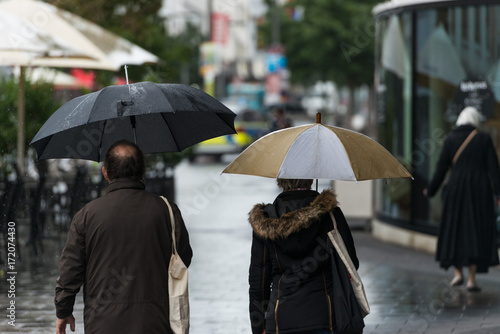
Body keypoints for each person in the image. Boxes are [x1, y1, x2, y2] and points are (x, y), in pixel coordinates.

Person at [55, 140, 192, 334]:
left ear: (105, 173)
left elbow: (71, 269)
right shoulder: (167, 211)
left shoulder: (86, 215)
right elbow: (184, 257)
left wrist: (63, 310)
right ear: (143, 171)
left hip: (102, 323)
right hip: (156, 321)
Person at [248, 179, 359, 334]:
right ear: (311, 180)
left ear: (280, 180)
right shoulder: (331, 215)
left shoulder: (266, 221)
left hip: (280, 319)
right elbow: (351, 262)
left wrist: (258, 328)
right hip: (325, 316)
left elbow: (258, 281)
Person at [425, 106, 500, 292]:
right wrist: (498, 193)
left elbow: (441, 169)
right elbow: (494, 168)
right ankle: (471, 279)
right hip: (479, 191)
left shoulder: (450, 139)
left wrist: (431, 190)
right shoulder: (483, 138)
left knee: (456, 230)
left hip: (456, 190)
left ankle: (458, 273)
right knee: (474, 231)